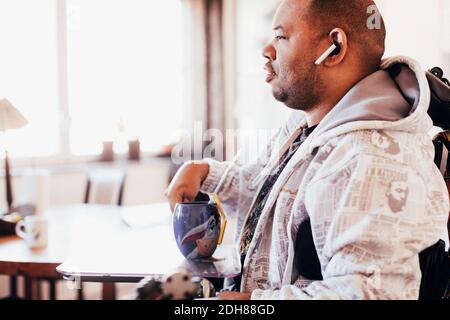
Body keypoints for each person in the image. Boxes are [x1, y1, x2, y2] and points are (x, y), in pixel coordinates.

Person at [167, 0, 449, 300]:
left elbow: (371, 294)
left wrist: (253, 304)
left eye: (281, 36)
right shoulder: (311, 126)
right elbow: (277, 199)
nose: (267, 50)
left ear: (335, 48)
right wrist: (206, 174)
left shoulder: (370, 157)